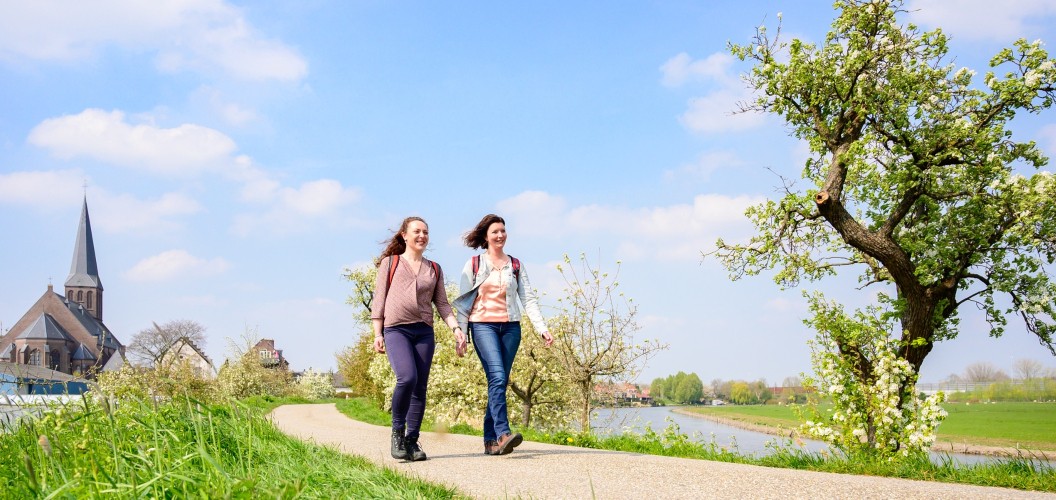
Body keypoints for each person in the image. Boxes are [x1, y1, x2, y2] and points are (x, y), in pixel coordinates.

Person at [454, 214, 553, 456]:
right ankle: (503, 433)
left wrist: (542, 328)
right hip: (483, 326)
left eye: (503, 231)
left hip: (511, 328)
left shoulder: (515, 265)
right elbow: (464, 302)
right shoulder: (475, 264)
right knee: (497, 377)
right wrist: (461, 334)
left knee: (498, 381)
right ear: (486, 236)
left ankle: (490, 442)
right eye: (495, 232)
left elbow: (528, 299)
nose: (500, 235)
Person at [371, 216, 467, 462]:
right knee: (407, 378)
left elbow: (442, 304)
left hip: (424, 330)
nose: (422, 235)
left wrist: (456, 328)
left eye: (425, 232)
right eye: (417, 231)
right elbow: (379, 299)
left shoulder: (434, 268)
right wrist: (377, 333)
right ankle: (397, 433)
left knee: (420, 387)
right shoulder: (390, 263)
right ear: (404, 235)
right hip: (396, 330)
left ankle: (412, 441)